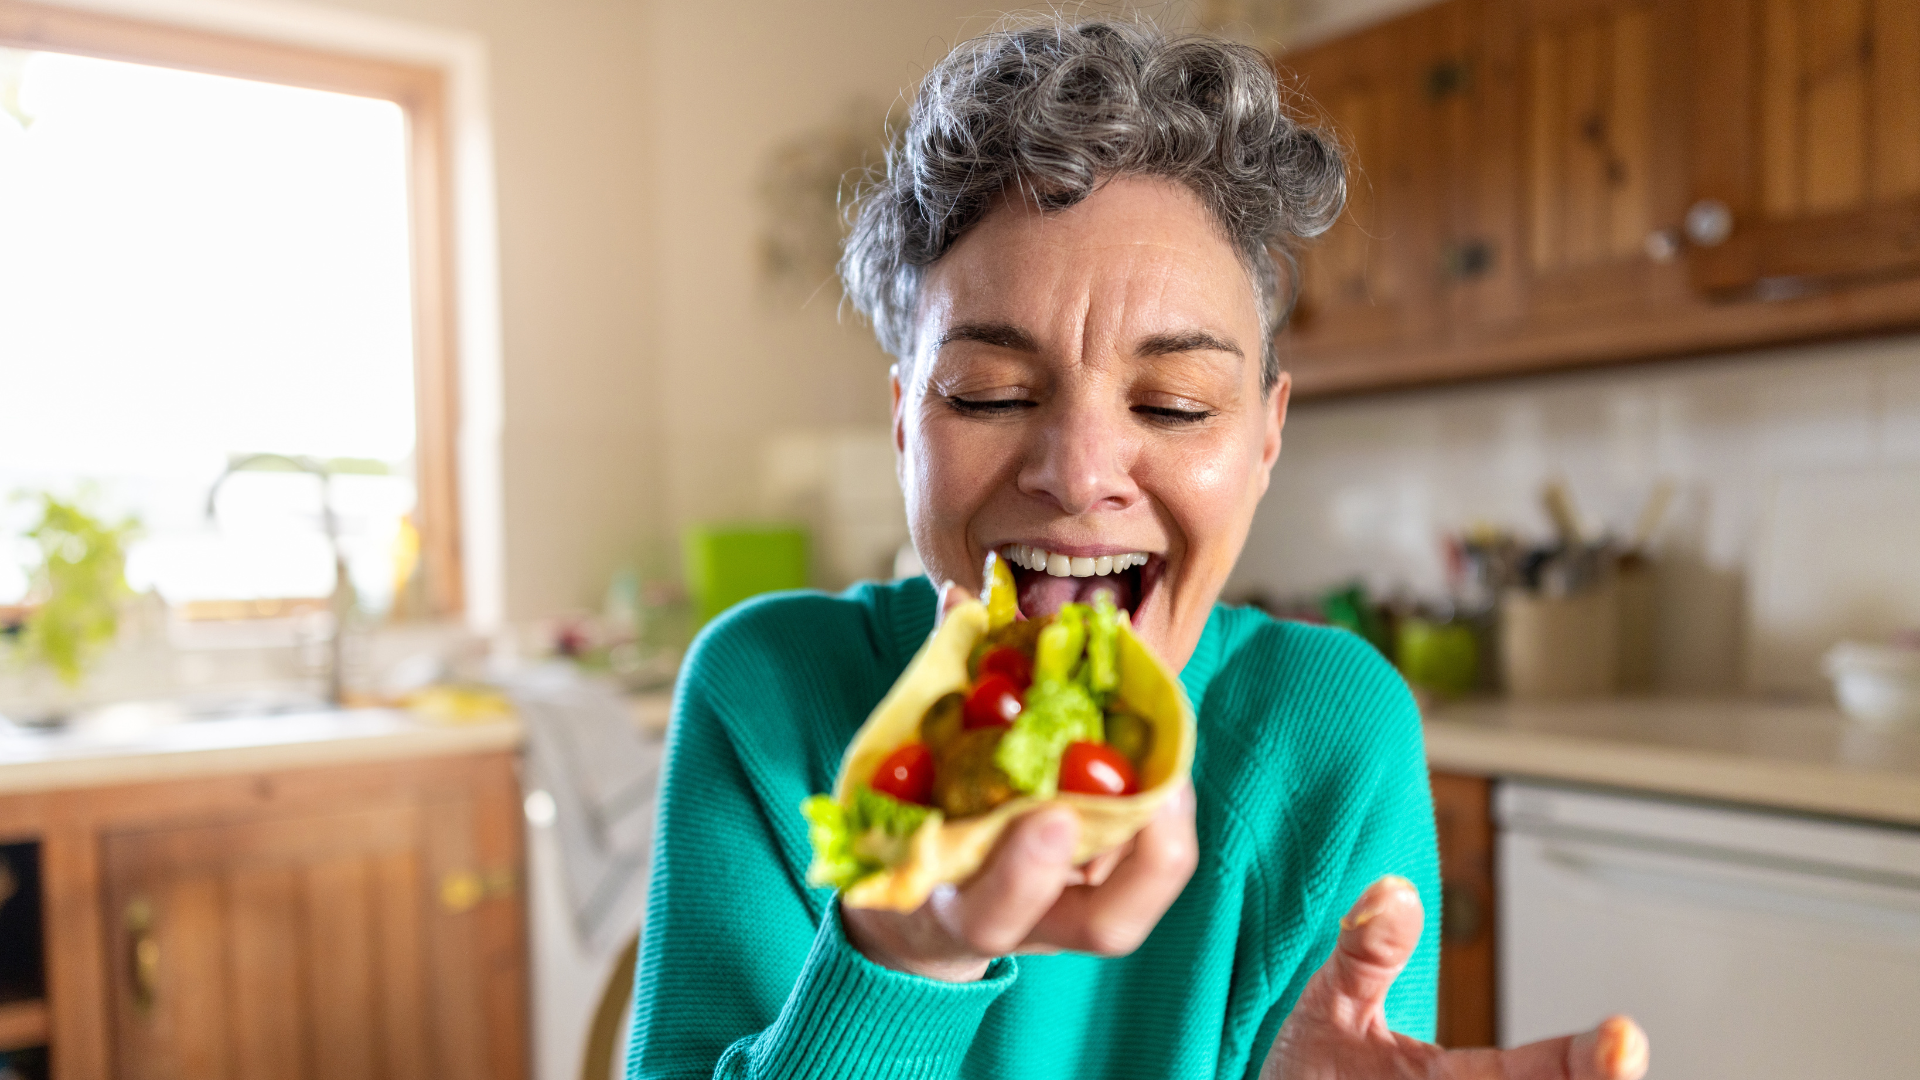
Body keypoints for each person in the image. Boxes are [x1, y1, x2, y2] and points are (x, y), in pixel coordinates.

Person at [627, 17, 1649, 1080]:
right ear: (902, 427)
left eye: (1172, 404)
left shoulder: (1329, 735)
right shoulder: (764, 692)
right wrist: (904, 958)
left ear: (1264, 441)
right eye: (991, 393)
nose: (1077, 472)